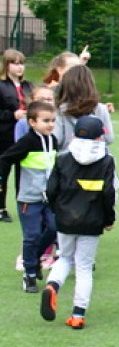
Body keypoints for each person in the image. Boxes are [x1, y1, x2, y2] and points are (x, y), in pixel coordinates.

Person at [40, 115, 118, 330]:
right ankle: (77, 314)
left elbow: (51, 190)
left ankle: (52, 286)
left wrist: (58, 210)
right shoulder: (106, 160)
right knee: (84, 267)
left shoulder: (63, 158)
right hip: (92, 221)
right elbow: (108, 194)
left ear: (74, 135)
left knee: (64, 258)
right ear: (100, 137)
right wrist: (109, 219)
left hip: (65, 219)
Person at [0, 100, 57, 292]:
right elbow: (5, 158)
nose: (50, 124)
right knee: (31, 235)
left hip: (49, 198)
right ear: (32, 123)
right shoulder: (27, 142)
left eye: (53, 120)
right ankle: (30, 275)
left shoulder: (53, 140)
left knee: (55, 229)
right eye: (46, 120)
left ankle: (35, 259)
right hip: (29, 198)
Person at [0, 48, 34, 222]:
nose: (19, 67)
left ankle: (24, 206)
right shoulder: (1, 85)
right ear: (6, 65)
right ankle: (1, 208)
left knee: (24, 173)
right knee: (2, 173)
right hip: (4, 136)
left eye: (21, 63)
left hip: (25, 137)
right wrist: (12, 115)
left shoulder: (29, 86)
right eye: (15, 63)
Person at [54, 65, 115, 152]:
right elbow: (109, 138)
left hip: (67, 159)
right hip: (95, 158)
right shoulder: (101, 109)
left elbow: (57, 139)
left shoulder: (59, 110)